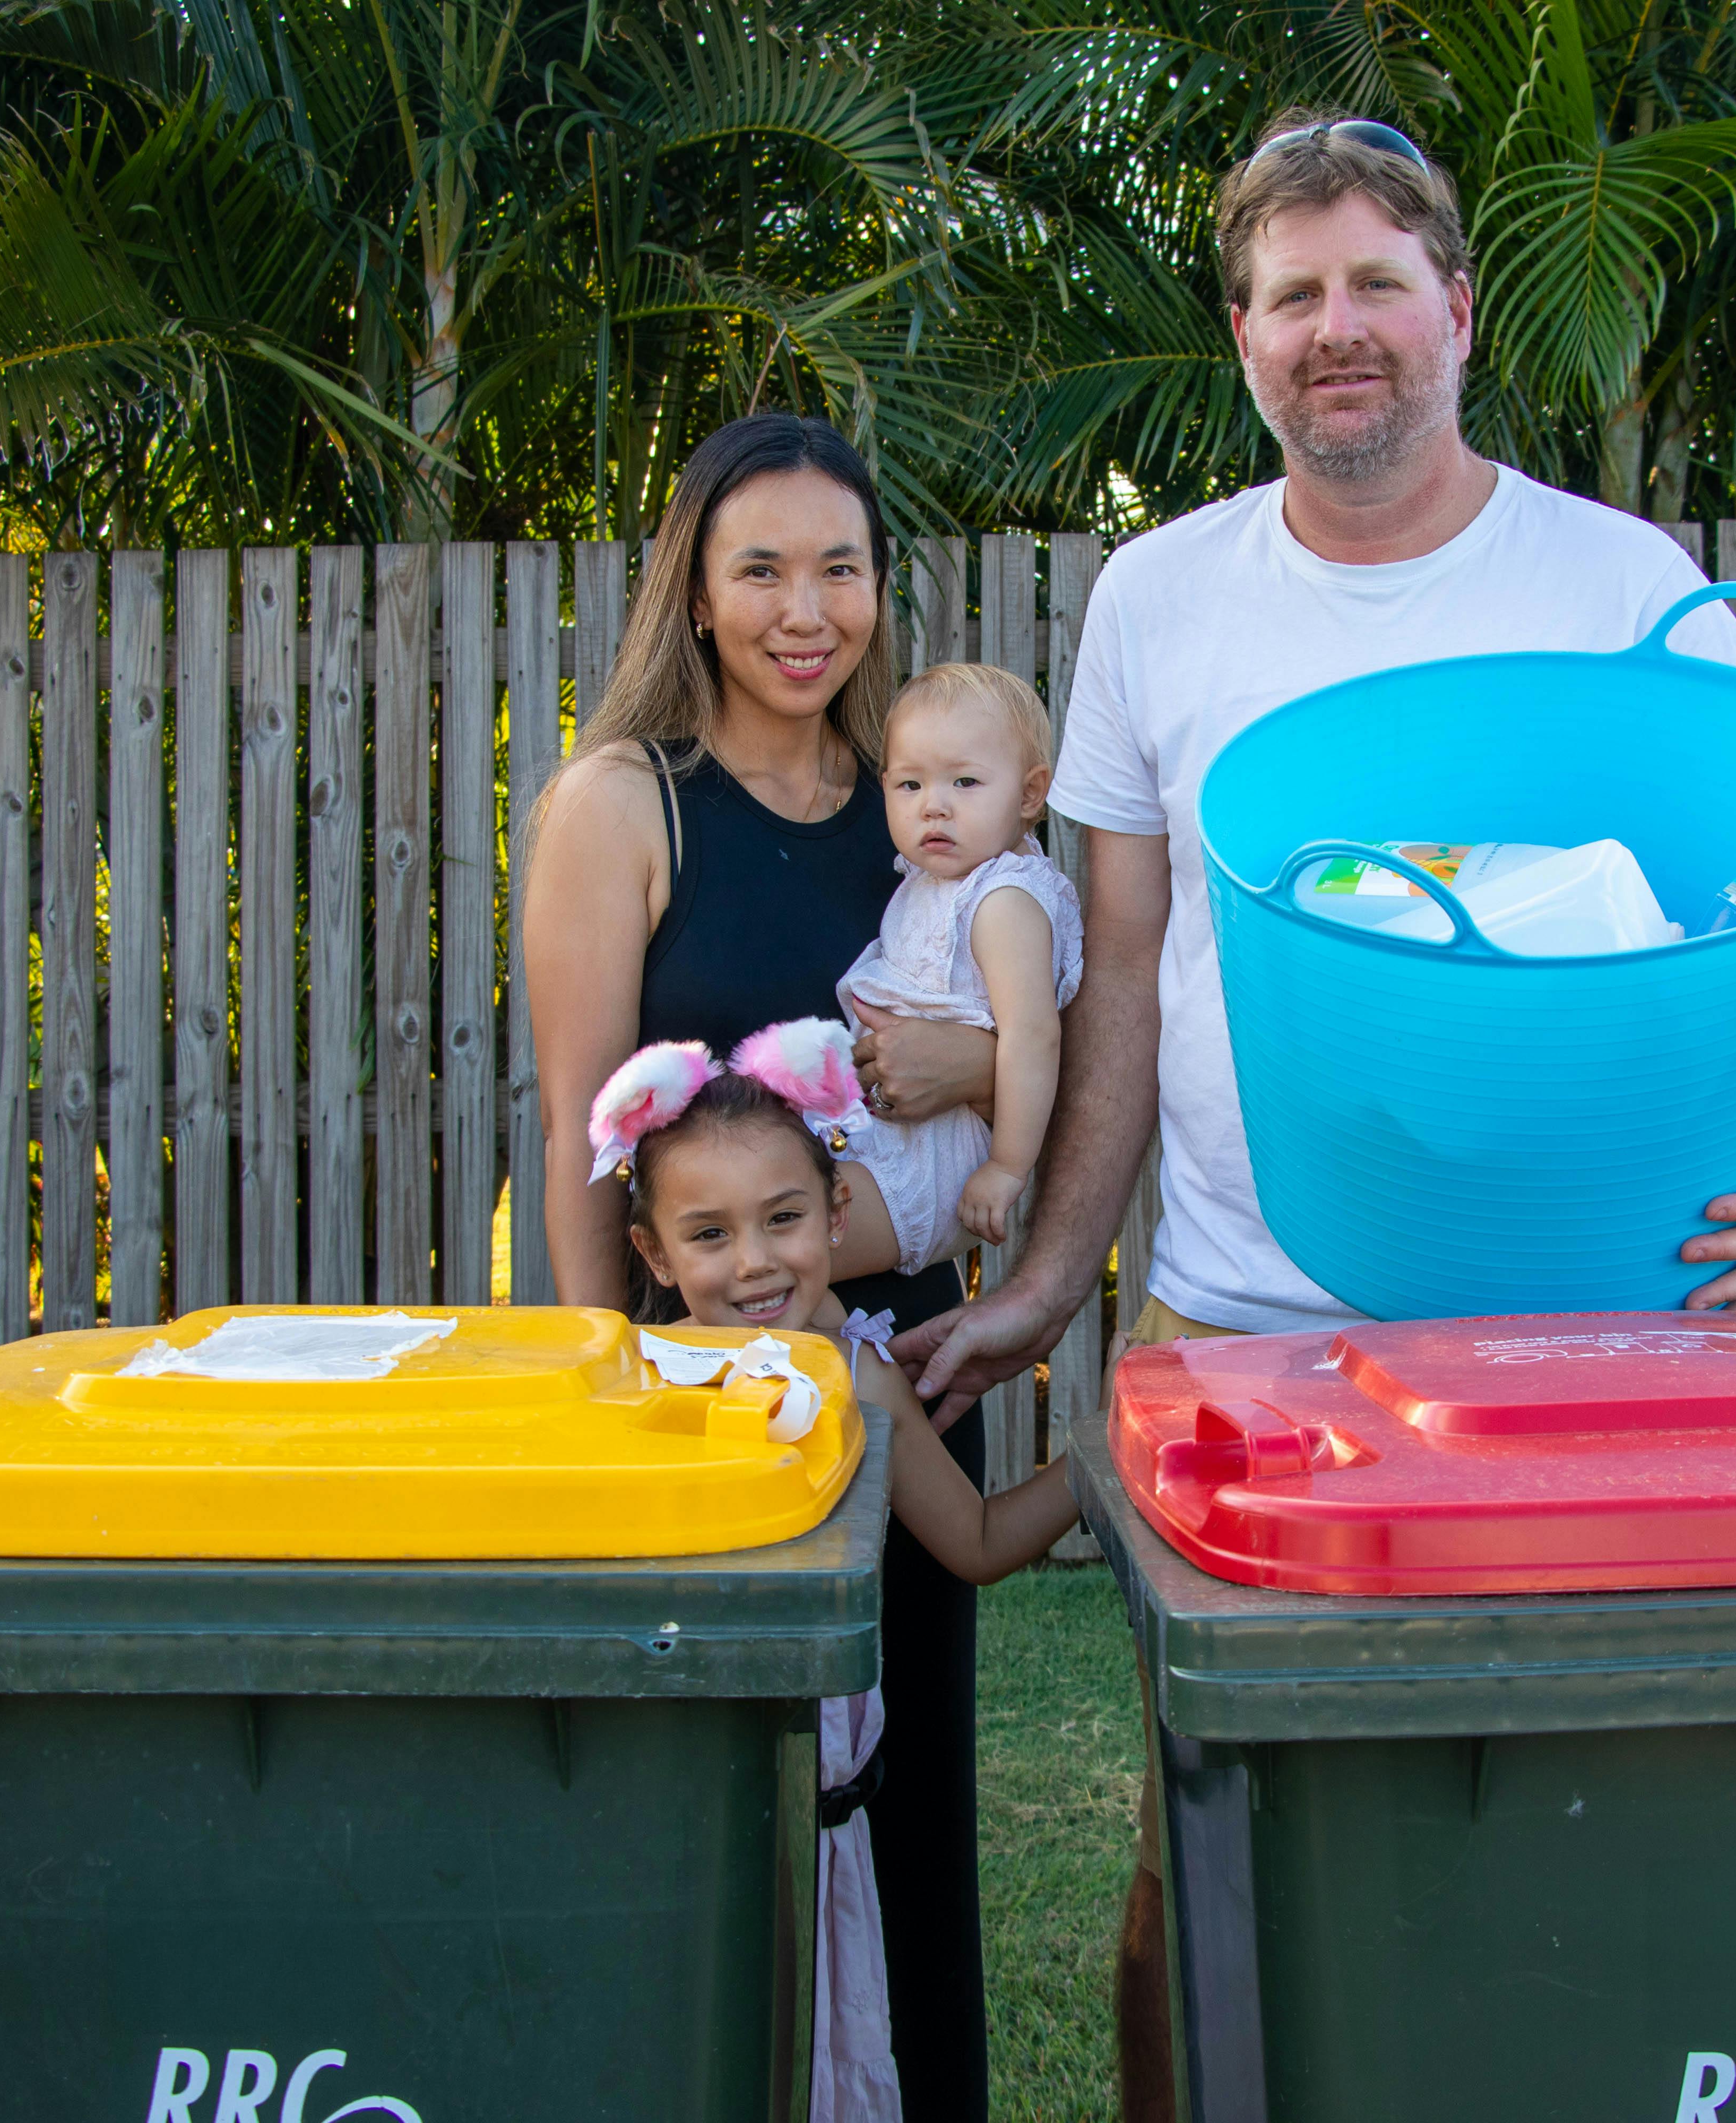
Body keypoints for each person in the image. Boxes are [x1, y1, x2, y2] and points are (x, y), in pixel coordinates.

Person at [884, 113, 1736, 2120]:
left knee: (1569, 1839)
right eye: (1291, 295)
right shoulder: (1159, 599)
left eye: (1375, 282)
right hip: (1241, 1325)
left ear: (1455, 307)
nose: (1334, 328)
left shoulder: (1612, 581)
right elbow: (1124, 985)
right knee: (1208, 1868)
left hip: (1587, 1338)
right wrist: (1045, 1283)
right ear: (1242, 337)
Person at [520, 411, 999, 2118]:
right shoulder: (622, 804)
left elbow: (1032, 1039)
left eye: (840, 569)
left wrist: (973, 1068)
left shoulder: (918, 814)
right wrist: (607, 1389)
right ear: (697, 591)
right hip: (698, 1394)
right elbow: (579, 1132)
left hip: (897, 1375)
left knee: (907, 1807)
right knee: (720, 1815)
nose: (807, 610)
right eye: (763, 570)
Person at [590, 1023, 1078, 2123]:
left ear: (837, 1214)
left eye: (784, 1218)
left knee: (808, 2049)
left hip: (816, 1805)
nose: (755, 1263)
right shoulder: (637, 1391)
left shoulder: (862, 1378)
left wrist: (1098, 1462)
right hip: (669, 1773)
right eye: (709, 1234)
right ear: (655, 1254)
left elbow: (978, 1542)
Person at [831, 663, 1085, 1274]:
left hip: (934, 1159)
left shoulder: (1003, 901)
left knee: (776, 1244)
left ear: (1030, 794)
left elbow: (1033, 1035)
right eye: (910, 785)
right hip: (886, 1132)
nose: (934, 807)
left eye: (965, 782)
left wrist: (1007, 1167)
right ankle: (831, 1325)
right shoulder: (936, 879)